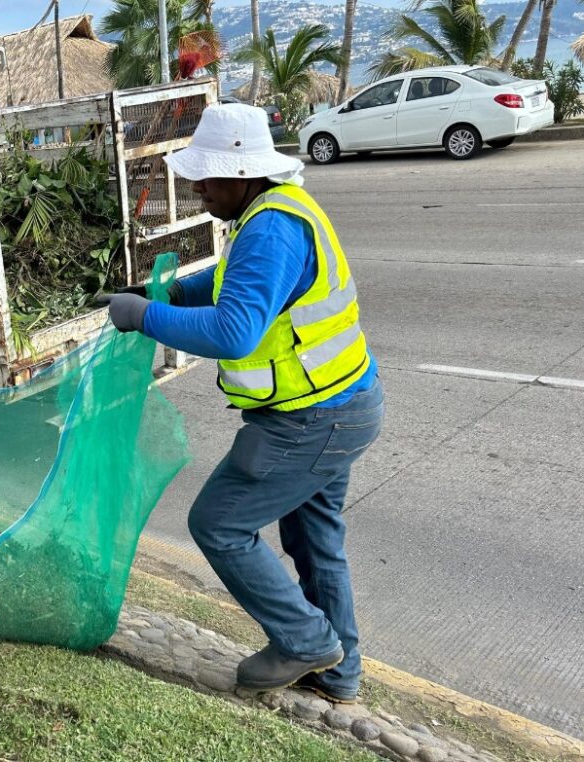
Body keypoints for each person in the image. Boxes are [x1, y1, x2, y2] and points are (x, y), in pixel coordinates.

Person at [100, 103, 384, 704]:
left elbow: (233, 332)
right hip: (341, 403)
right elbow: (233, 280)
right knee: (313, 539)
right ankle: (339, 672)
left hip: (312, 420)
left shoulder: (271, 228)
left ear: (245, 172)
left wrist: (146, 317)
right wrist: (175, 291)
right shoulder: (272, 211)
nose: (198, 186)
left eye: (208, 176)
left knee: (219, 523)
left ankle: (307, 641)